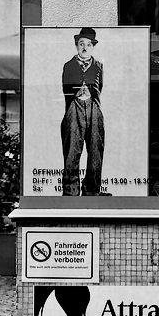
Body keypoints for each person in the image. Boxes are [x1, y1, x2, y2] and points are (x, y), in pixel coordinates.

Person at [60, 27, 106, 196]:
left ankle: (92, 190)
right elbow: (65, 89)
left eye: (88, 44)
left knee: (96, 149)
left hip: (93, 106)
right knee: (72, 149)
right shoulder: (69, 65)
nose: (85, 48)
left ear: (93, 46)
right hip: (74, 106)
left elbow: (100, 87)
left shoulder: (99, 66)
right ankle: (70, 191)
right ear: (76, 46)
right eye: (81, 44)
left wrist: (91, 96)